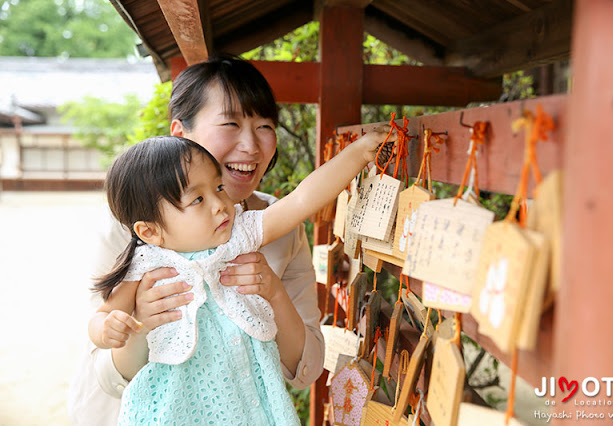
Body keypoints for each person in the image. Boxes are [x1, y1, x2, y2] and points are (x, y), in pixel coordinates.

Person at [68, 55, 321, 425]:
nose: (251, 145)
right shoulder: (130, 223)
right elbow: (105, 371)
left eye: (264, 125)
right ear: (180, 133)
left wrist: (274, 294)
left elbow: (306, 368)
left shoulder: (278, 226)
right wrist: (141, 322)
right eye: (230, 123)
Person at [88, 129, 389, 424]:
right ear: (150, 231)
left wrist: (358, 153)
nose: (221, 204)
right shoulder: (147, 264)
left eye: (218, 188)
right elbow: (103, 314)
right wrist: (107, 328)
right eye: (198, 200)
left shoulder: (240, 235)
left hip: (249, 402)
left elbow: (300, 202)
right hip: (176, 408)